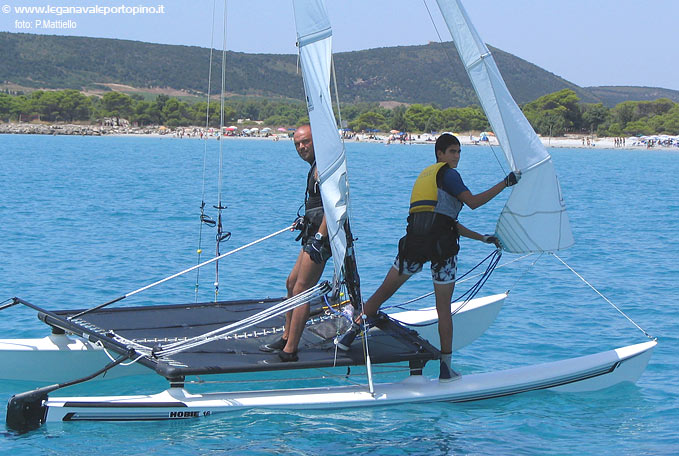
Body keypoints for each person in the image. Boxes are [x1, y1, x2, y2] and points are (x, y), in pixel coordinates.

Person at [335, 133, 520, 381]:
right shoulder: (450, 175)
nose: (456, 156)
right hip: (442, 252)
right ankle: (446, 369)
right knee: (444, 310)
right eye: (452, 151)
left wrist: (482, 238)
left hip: (413, 246)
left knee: (380, 294)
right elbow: (473, 203)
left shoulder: (426, 176)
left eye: (459, 152)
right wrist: (505, 183)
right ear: (440, 154)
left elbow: (445, 221)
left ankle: (348, 337)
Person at [259, 125, 332, 362]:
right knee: (291, 283)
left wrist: (320, 239)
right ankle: (286, 336)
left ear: (317, 141)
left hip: (324, 236)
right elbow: (318, 204)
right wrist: (305, 219)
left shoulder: (324, 167)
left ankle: (290, 351)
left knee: (302, 290)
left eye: (306, 142)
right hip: (314, 231)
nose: (302, 147)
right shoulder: (315, 167)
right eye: (297, 144)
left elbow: (334, 206)